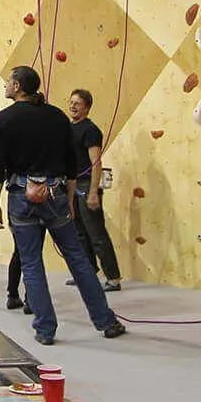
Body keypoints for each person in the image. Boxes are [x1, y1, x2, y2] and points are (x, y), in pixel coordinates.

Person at [0, 66, 124, 347]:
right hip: (57, 194)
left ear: (17, 86)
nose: (6, 84)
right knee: (77, 257)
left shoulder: (3, 119)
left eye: (8, 81)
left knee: (31, 263)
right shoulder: (57, 116)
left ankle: (45, 329)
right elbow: (70, 163)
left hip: (21, 195)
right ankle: (106, 321)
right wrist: (72, 198)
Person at [65, 89, 121, 293]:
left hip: (86, 185)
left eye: (77, 103)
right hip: (72, 186)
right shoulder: (68, 128)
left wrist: (93, 192)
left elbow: (96, 163)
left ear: (87, 107)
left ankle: (113, 277)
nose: (72, 106)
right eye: (71, 102)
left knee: (96, 234)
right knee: (79, 233)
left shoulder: (91, 131)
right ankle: (87, 272)